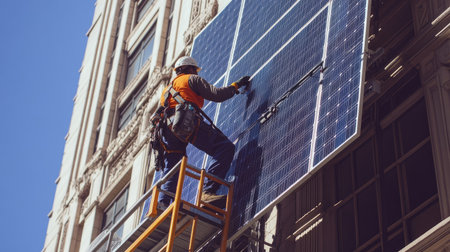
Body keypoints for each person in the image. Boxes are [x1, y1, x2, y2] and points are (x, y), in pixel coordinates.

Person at [152, 56, 250, 208]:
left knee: (173, 165)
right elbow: (216, 94)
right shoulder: (191, 79)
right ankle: (208, 192)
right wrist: (235, 87)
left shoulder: (166, 90)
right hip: (185, 121)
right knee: (224, 147)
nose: (196, 73)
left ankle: (162, 202)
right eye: (195, 70)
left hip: (167, 131)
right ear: (190, 69)